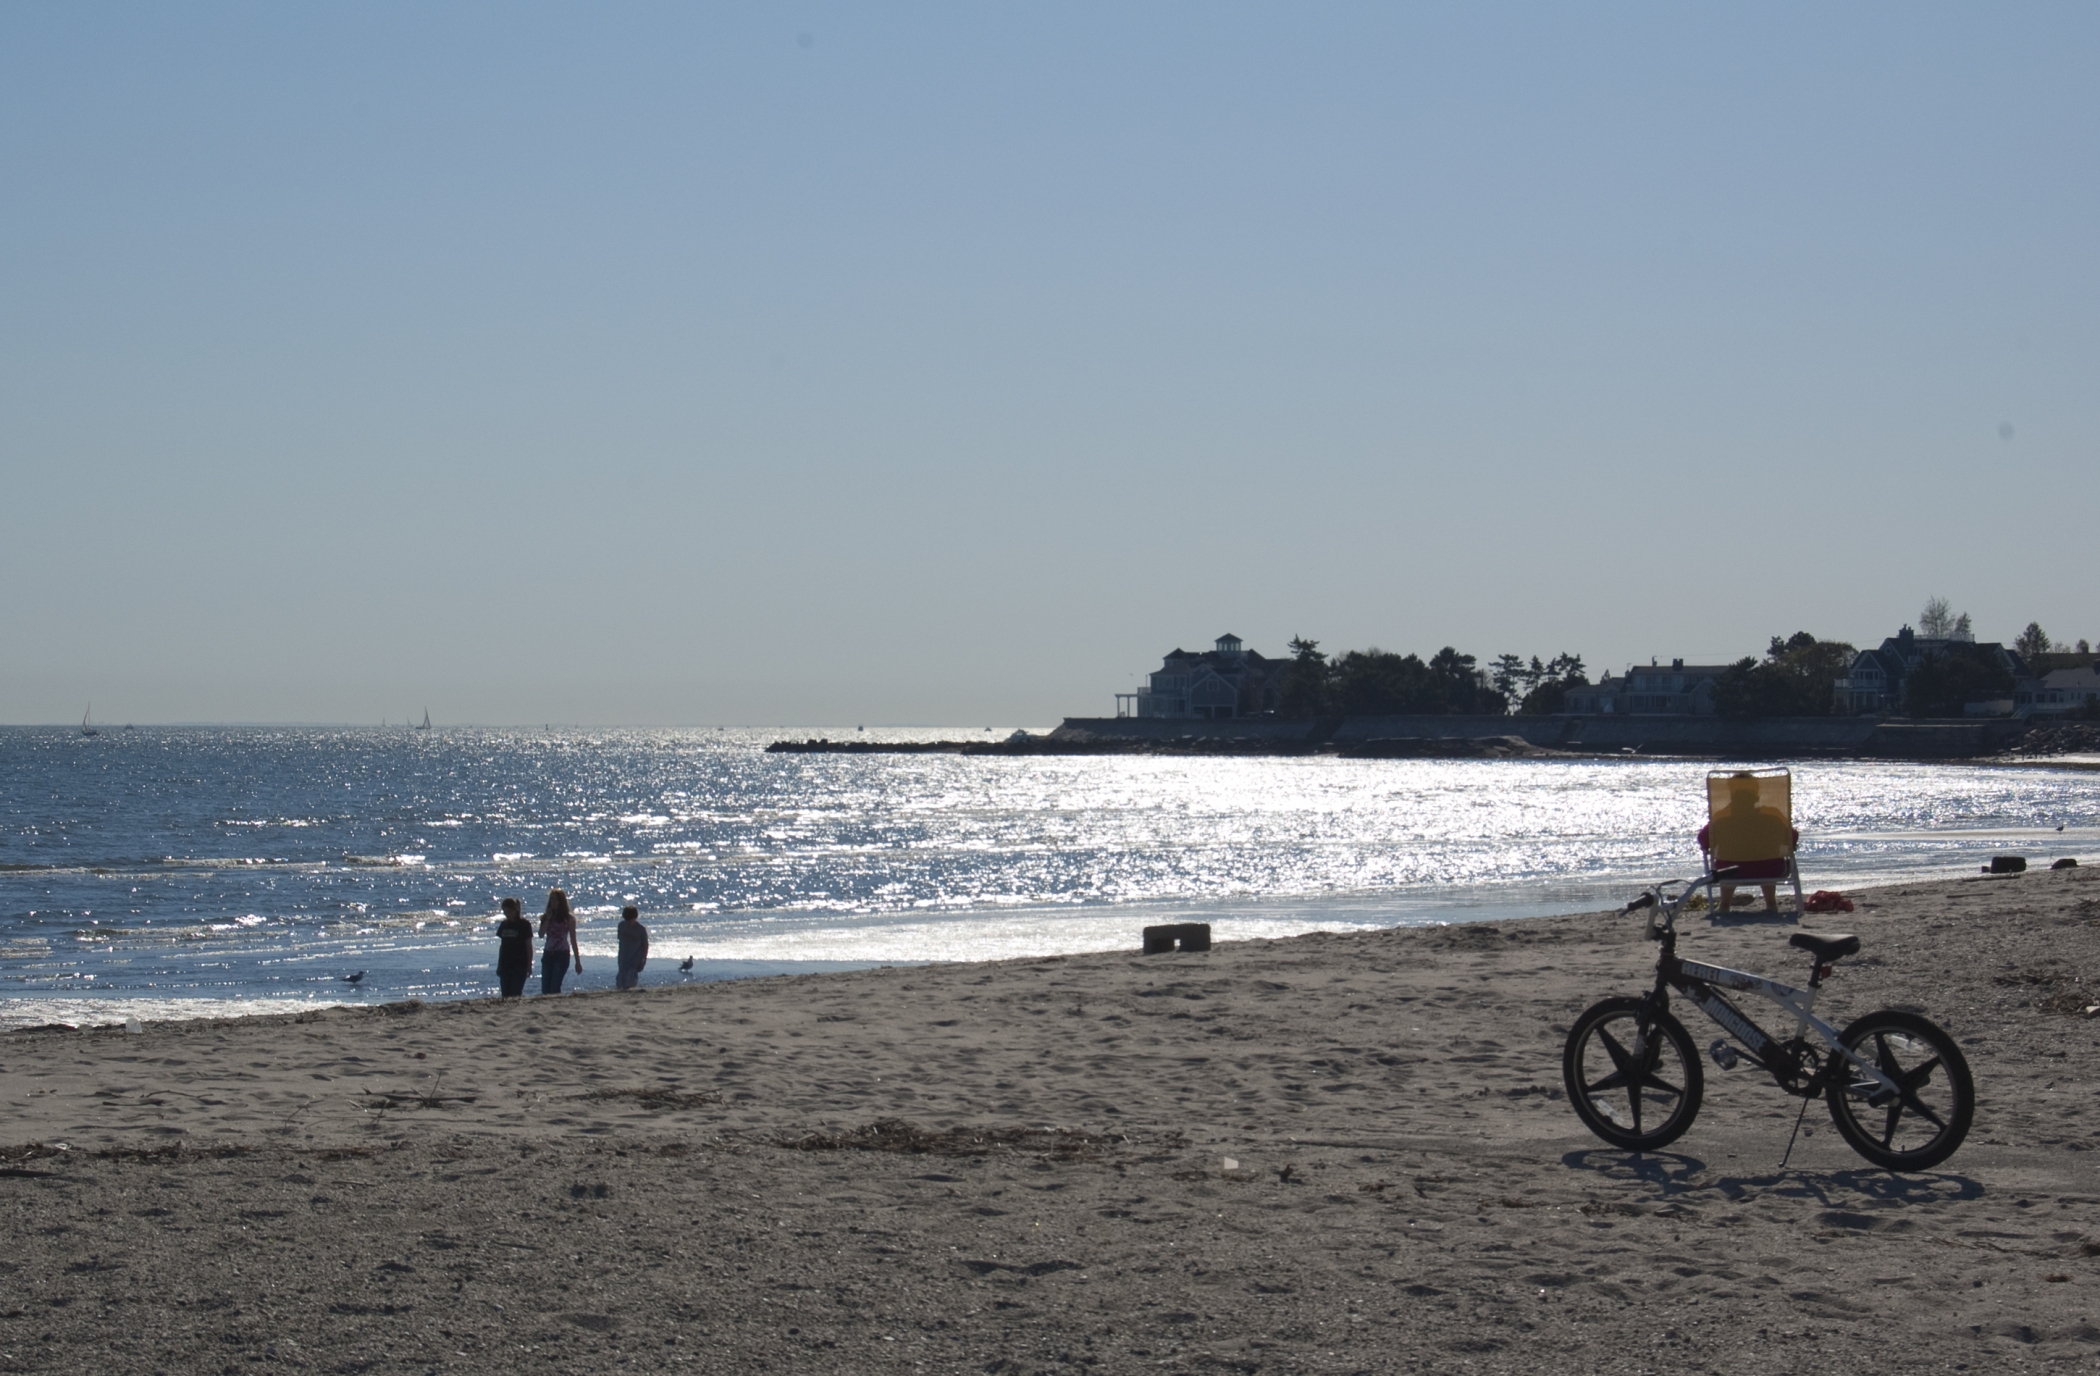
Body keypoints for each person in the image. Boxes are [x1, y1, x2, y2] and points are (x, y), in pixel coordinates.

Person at [1698, 774, 1799, 912]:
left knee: (1727, 866)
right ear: (1756, 794)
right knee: (1766, 860)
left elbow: (1703, 841)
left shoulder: (1720, 820)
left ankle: (1724, 905)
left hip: (1729, 872)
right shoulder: (1773, 817)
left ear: (1731, 794)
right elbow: (1792, 838)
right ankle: (1771, 903)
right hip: (1770, 870)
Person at [539, 888, 582, 994]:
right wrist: (548, 918)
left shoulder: (569, 918)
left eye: (555, 900)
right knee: (545, 986)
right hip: (548, 953)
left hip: (561, 954)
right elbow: (541, 934)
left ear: (560, 901)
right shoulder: (546, 917)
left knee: (555, 985)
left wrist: (577, 961)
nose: (552, 902)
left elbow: (573, 939)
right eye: (551, 899)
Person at [495, 897, 535, 998]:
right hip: (505, 964)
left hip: (520, 964)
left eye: (508, 911)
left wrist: (529, 964)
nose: (507, 914)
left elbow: (529, 946)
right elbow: (502, 946)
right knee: (505, 993)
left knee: (516, 992)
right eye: (504, 911)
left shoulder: (524, 925)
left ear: (515, 910)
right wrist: (499, 964)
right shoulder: (504, 924)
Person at [615, 904, 650, 991]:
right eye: (627, 920)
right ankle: (622, 988)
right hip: (623, 955)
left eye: (630, 920)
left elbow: (645, 945)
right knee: (621, 978)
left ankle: (629, 986)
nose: (629, 922)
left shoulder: (641, 929)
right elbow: (620, 939)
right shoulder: (621, 926)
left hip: (636, 956)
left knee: (631, 974)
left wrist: (644, 959)